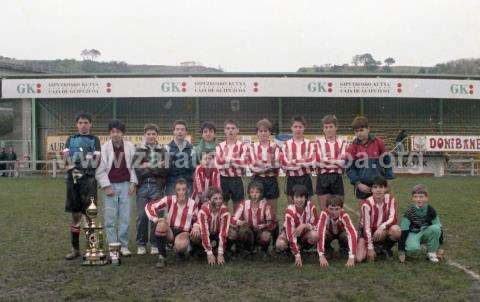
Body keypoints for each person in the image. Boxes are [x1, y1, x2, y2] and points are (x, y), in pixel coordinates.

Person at [96, 119, 138, 256]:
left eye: (118, 132)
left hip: (126, 185)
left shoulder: (130, 147)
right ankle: (113, 246)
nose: (115, 134)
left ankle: (124, 246)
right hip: (110, 186)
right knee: (110, 218)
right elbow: (100, 169)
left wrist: (133, 183)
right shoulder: (104, 148)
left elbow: (134, 167)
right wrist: (106, 186)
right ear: (110, 133)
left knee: (125, 218)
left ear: (123, 133)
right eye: (113, 132)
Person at [62, 112, 101, 260]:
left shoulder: (94, 140)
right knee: (75, 216)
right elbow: (66, 160)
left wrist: (80, 166)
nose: (83, 125)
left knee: (90, 215)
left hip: (89, 182)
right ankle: (75, 249)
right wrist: (77, 165)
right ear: (77, 124)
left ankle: (92, 249)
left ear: (90, 124)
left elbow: (96, 160)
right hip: (73, 181)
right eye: (80, 122)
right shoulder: (70, 139)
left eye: (86, 122)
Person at [145, 178, 200, 268]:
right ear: (175, 191)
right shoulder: (170, 199)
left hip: (183, 232)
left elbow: (198, 218)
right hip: (170, 231)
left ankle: (181, 251)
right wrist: (155, 219)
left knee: (181, 245)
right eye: (178, 190)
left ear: (188, 190)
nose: (181, 192)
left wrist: (196, 226)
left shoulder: (192, 204)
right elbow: (150, 206)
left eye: (184, 189)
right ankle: (162, 257)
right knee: (161, 224)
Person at [133, 123, 168, 255]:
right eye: (148, 134)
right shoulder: (139, 150)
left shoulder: (163, 151)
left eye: (153, 133)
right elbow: (137, 169)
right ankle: (141, 244)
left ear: (157, 135)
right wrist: (156, 166)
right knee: (142, 216)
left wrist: (147, 165)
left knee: (155, 216)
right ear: (145, 135)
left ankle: (154, 243)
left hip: (157, 187)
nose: (151, 136)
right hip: (142, 187)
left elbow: (165, 170)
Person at [345, 116, 394, 204]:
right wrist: (358, 184)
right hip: (362, 187)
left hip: (379, 186)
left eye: (361, 130)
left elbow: (387, 162)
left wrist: (387, 180)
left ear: (368, 129)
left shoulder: (379, 143)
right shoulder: (352, 147)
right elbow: (349, 169)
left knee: (380, 213)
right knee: (364, 214)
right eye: (356, 131)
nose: (359, 133)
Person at [248, 118, 282, 243]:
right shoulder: (253, 147)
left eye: (266, 131)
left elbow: (277, 163)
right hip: (257, 181)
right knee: (257, 210)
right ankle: (257, 241)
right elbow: (252, 166)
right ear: (257, 132)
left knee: (272, 212)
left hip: (271, 180)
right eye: (260, 131)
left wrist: (260, 165)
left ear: (270, 132)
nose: (263, 133)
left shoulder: (275, 147)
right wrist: (268, 164)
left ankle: (275, 241)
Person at [356, 177, 401, 263]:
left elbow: (393, 218)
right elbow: (366, 228)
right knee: (359, 258)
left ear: (386, 189)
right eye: (375, 187)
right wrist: (369, 248)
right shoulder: (367, 204)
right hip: (366, 231)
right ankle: (371, 246)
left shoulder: (391, 199)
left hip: (381, 230)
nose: (378, 190)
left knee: (396, 230)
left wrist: (381, 227)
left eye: (381, 187)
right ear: (371, 190)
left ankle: (385, 248)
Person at [229, 181, 277, 260]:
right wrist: (239, 222)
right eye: (252, 192)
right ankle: (246, 250)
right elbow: (233, 219)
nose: (254, 195)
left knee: (266, 236)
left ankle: (263, 250)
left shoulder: (265, 205)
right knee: (242, 231)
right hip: (248, 231)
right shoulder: (244, 204)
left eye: (257, 192)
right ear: (249, 193)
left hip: (260, 232)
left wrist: (263, 226)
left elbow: (272, 222)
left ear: (261, 193)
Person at [275, 185, 319, 267]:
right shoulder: (290, 211)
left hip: (304, 234)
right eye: (296, 197)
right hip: (290, 233)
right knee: (280, 244)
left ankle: (302, 249)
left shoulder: (312, 207)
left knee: (315, 235)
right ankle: (290, 250)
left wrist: (304, 225)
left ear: (306, 198)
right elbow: (290, 234)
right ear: (293, 198)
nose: (299, 200)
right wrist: (297, 255)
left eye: (302, 197)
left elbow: (316, 225)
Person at [398, 184, 444, 263]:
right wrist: (401, 251)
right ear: (412, 198)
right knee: (413, 252)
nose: (418, 199)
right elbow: (403, 231)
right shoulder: (409, 211)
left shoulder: (430, 210)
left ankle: (431, 253)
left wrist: (440, 246)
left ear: (426, 198)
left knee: (436, 228)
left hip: (426, 232)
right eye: (415, 197)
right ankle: (414, 245)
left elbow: (439, 226)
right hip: (413, 234)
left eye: (421, 197)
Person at [313, 114, 348, 210]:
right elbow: (318, 162)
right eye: (326, 127)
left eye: (331, 127)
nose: (328, 130)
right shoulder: (318, 142)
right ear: (323, 129)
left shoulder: (343, 142)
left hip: (337, 178)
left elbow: (343, 162)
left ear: (336, 127)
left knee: (338, 210)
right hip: (322, 178)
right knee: (325, 210)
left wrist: (326, 161)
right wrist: (336, 161)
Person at [215, 119, 249, 210]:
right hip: (223, 179)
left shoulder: (243, 146)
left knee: (238, 205)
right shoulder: (219, 146)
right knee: (222, 204)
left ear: (238, 130)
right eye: (228, 128)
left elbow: (244, 163)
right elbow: (218, 164)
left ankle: (236, 223)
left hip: (237, 179)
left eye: (233, 128)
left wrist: (227, 160)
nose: (230, 130)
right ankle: (223, 223)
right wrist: (235, 162)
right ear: (224, 130)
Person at [280, 115, 314, 204]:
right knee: (292, 206)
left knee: (307, 206)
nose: (298, 129)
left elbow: (311, 161)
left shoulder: (309, 144)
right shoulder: (286, 145)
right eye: (295, 127)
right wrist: (302, 162)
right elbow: (284, 164)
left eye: (300, 127)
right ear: (291, 128)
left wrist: (293, 162)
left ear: (304, 128)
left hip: (306, 178)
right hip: (291, 178)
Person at [193, 187, 230, 265]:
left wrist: (220, 254)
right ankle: (199, 250)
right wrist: (209, 254)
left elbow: (223, 232)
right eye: (215, 199)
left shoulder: (225, 211)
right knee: (195, 235)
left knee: (231, 233)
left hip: (217, 233)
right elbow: (204, 232)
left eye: (220, 198)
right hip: (207, 233)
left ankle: (223, 250)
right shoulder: (203, 211)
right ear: (209, 200)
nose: (218, 201)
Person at [317, 196, 357, 268]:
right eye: (331, 209)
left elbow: (352, 233)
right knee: (323, 233)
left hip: (341, 233)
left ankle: (344, 247)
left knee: (346, 235)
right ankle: (327, 248)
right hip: (330, 234)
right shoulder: (324, 214)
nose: (334, 212)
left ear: (341, 209)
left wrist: (352, 256)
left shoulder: (344, 215)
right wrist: (321, 255)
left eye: (337, 209)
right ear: (326, 208)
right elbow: (320, 232)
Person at [165, 120, 196, 195]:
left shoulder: (192, 148)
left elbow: (193, 167)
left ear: (186, 132)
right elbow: (166, 168)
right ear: (174, 131)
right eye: (177, 129)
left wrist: (174, 160)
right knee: (172, 206)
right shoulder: (167, 148)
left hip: (187, 183)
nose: (180, 132)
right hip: (171, 183)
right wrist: (185, 162)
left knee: (188, 206)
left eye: (182, 130)